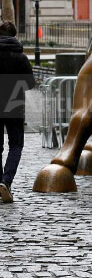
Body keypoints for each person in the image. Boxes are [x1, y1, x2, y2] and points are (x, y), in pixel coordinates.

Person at [0, 21, 36, 203]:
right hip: (14, 105)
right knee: (16, 145)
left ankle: (1, 184)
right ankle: (6, 181)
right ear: (14, 36)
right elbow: (30, 83)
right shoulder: (21, 57)